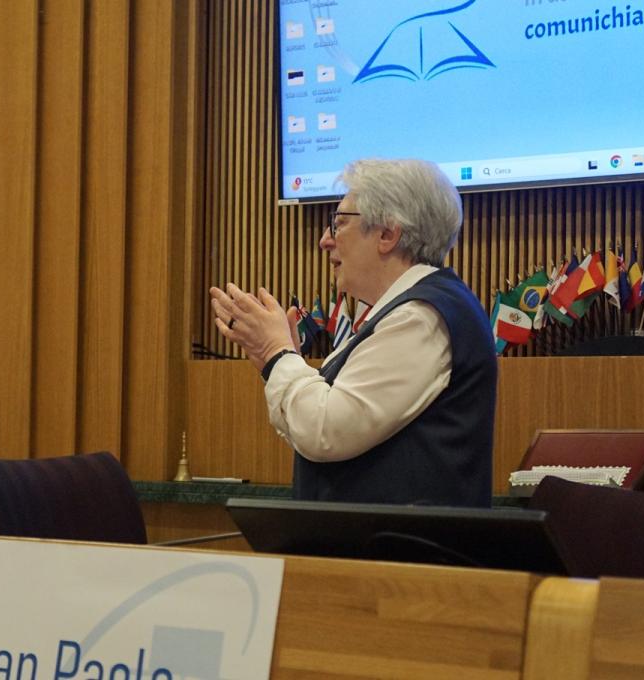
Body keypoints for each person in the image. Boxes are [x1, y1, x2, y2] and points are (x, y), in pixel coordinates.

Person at [209, 159, 495, 506]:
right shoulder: (404, 312)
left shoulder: (420, 316)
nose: (324, 241)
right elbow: (315, 432)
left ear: (387, 234)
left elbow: (325, 430)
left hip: (398, 541)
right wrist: (278, 362)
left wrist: (277, 353)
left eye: (339, 222)